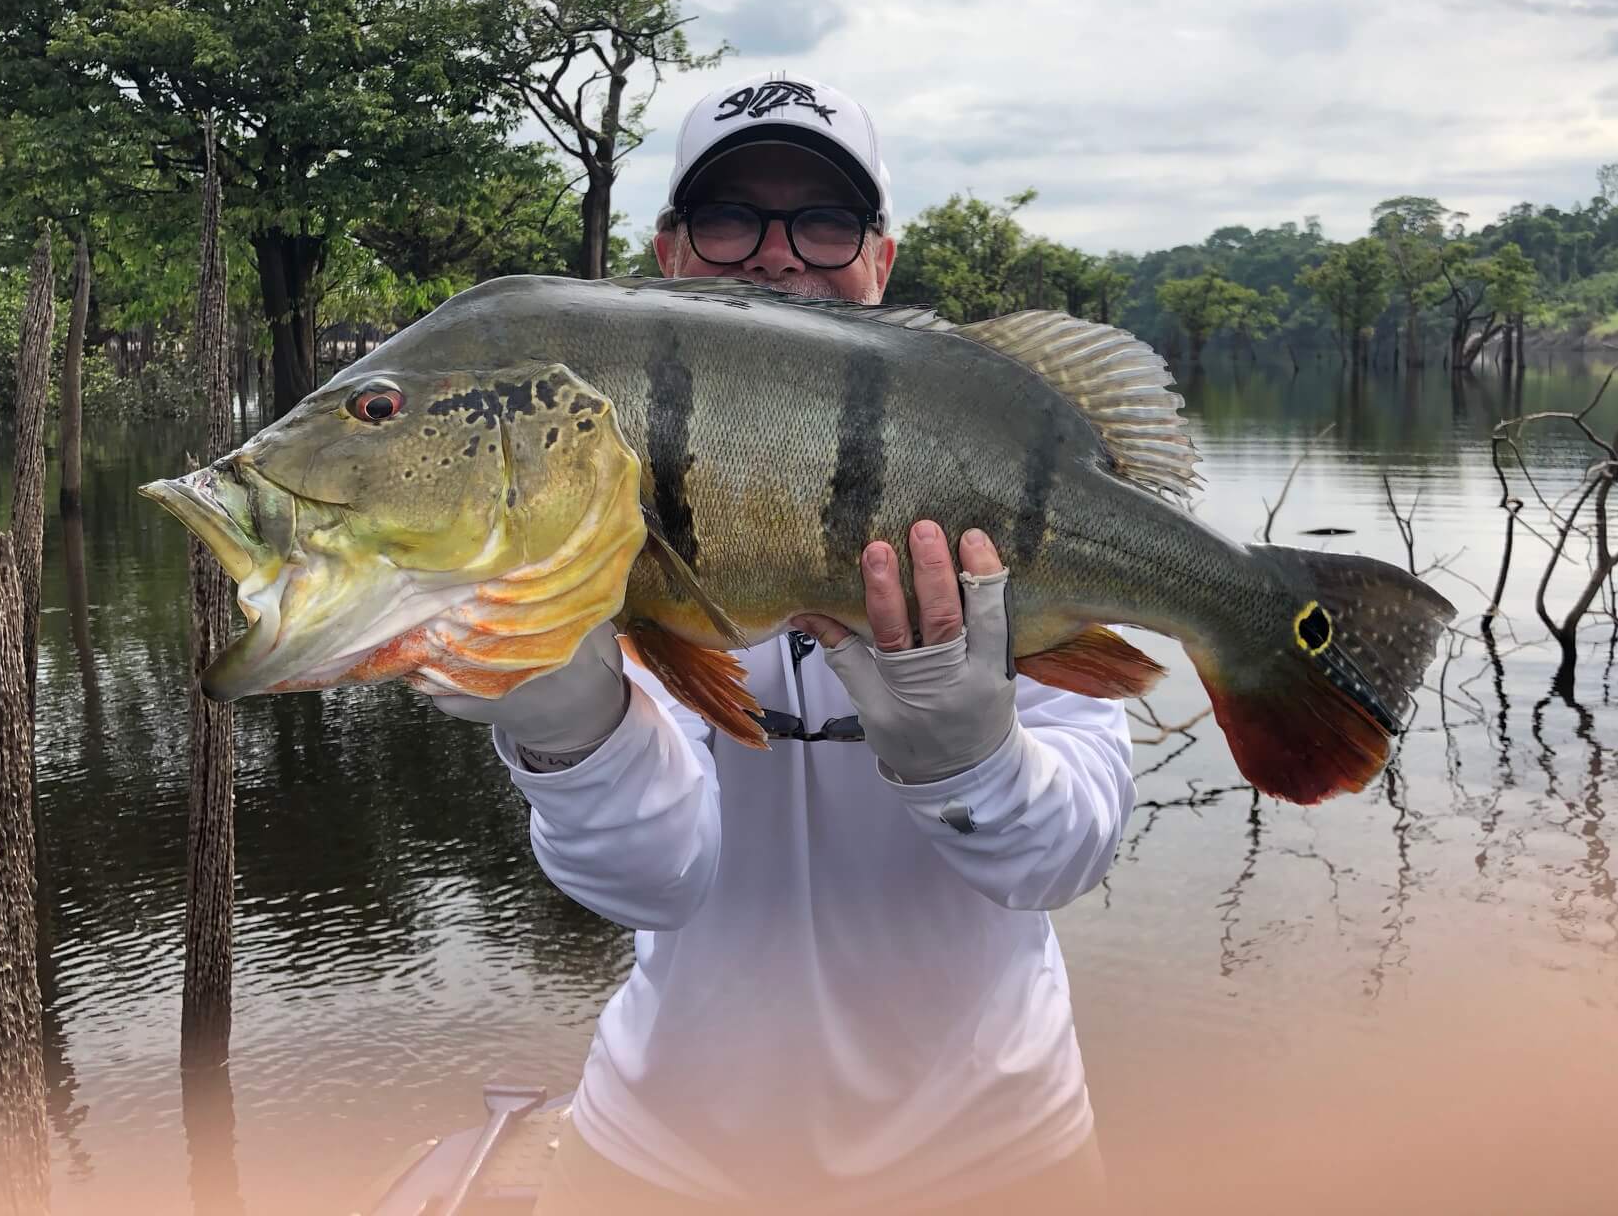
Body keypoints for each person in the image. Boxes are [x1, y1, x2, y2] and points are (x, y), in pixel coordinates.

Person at [432, 72, 1131, 1214]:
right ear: (667, 255)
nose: (774, 255)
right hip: (663, 1158)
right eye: (727, 220)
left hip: (1000, 1156)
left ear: (882, 260)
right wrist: (566, 728)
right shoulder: (589, 486)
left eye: (821, 220)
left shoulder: (987, 463)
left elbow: (1063, 859)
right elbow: (647, 880)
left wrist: (974, 762)